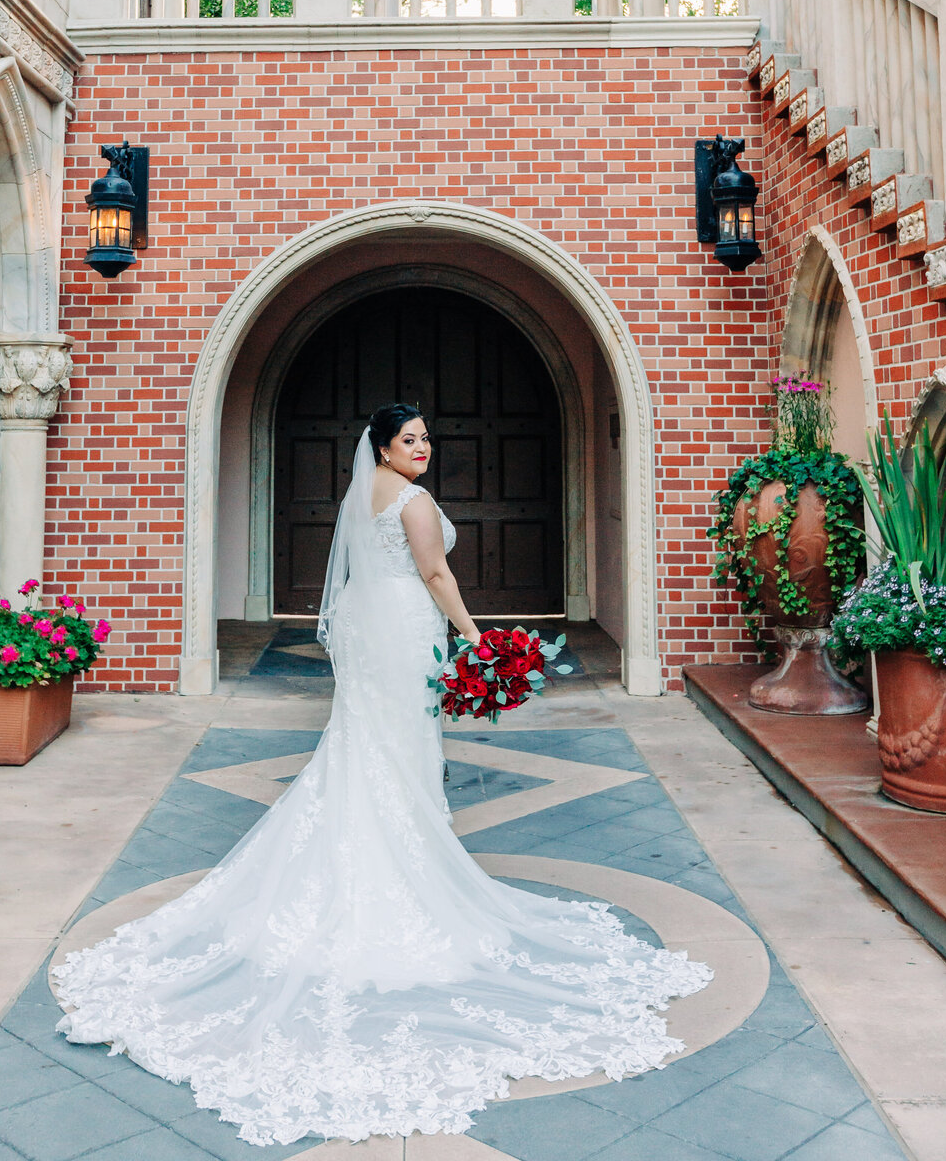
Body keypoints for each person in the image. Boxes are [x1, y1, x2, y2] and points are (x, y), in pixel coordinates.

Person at [54, 404, 710, 1147]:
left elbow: (373, 572)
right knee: (398, 751)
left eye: (427, 439)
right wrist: (478, 640)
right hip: (403, 628)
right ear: (384, 448)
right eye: (410, 440)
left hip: (370, 626)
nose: (424, 448)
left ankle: (365, 854)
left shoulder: (362, 495)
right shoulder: (414, 501)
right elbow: (434, 571)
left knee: (362, 745)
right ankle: (403, 872)